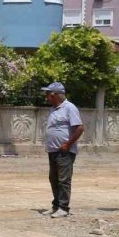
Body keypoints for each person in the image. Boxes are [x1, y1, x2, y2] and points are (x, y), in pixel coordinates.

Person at [41, 82, 85, 218]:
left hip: (64, 151)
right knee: (53, 179)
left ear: (55, 95)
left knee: (63, 180)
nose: (46, 97)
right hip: (53, 150)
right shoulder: (53, 109)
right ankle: (56, 206)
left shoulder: (69, 108)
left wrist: (67, 144)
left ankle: (64, 208)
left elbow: (80, 128)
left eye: (48, 94)